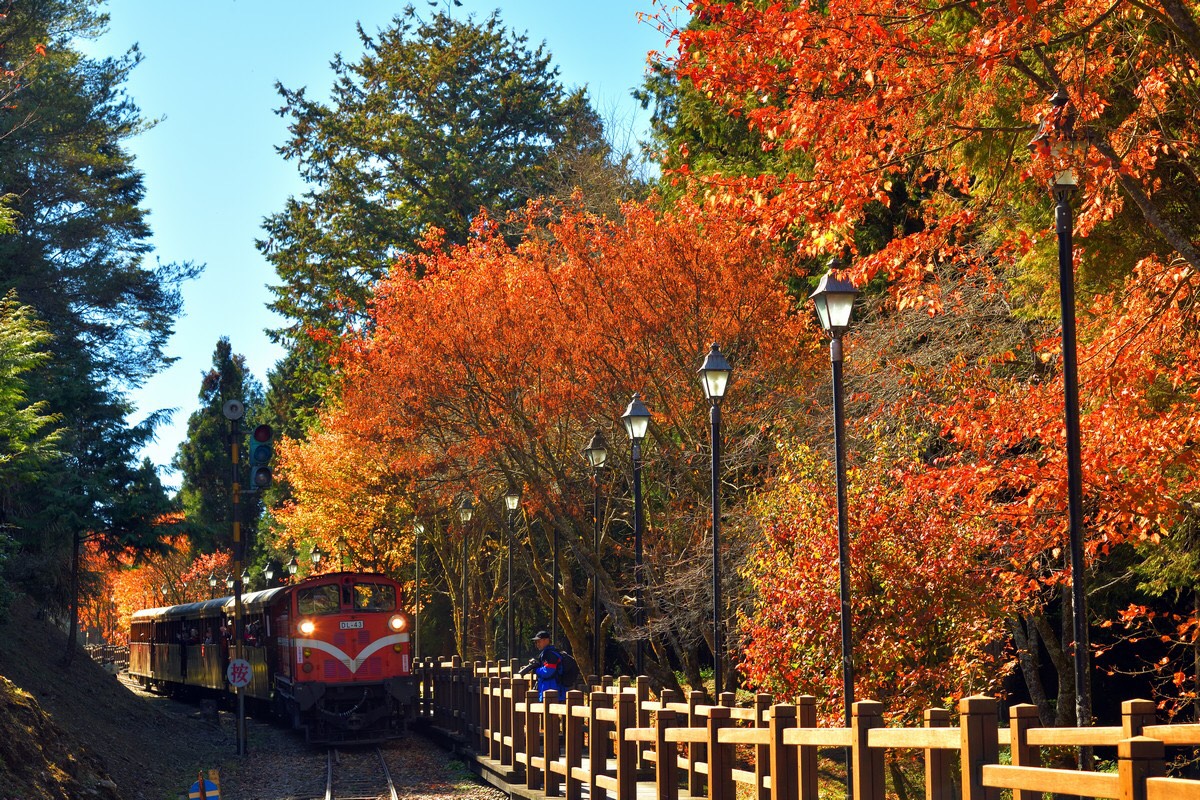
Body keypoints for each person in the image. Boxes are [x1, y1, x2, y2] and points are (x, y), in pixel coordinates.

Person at [519, 630, 562, 700]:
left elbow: (548, 671)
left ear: (546, 640)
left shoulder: (550, 654)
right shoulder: (546, 653)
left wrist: (536, 669)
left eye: (539, 641)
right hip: (547, 691)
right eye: (536, 642)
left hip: (552, 692)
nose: (537, 644)